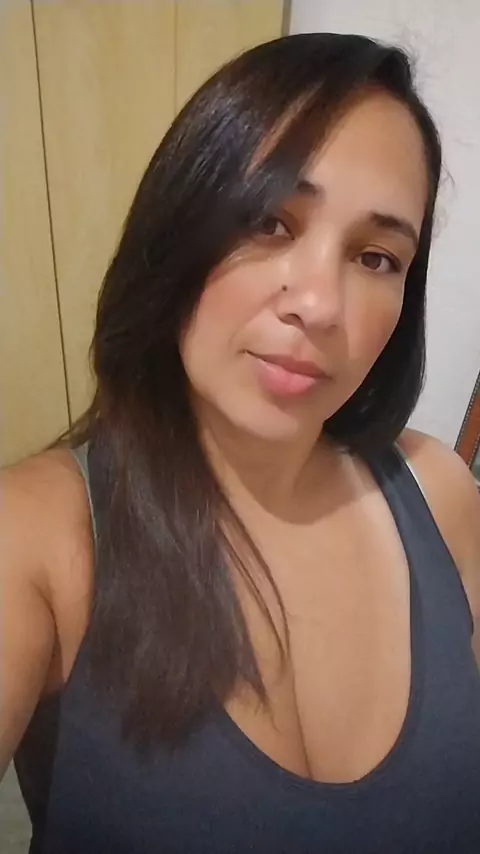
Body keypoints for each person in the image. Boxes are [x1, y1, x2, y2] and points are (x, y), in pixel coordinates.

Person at [1, 32, 480, 854]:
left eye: (376, 257)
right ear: (177, 229)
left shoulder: (438, 493)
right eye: (268, 221)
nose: (320, 304)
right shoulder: (40, 535)